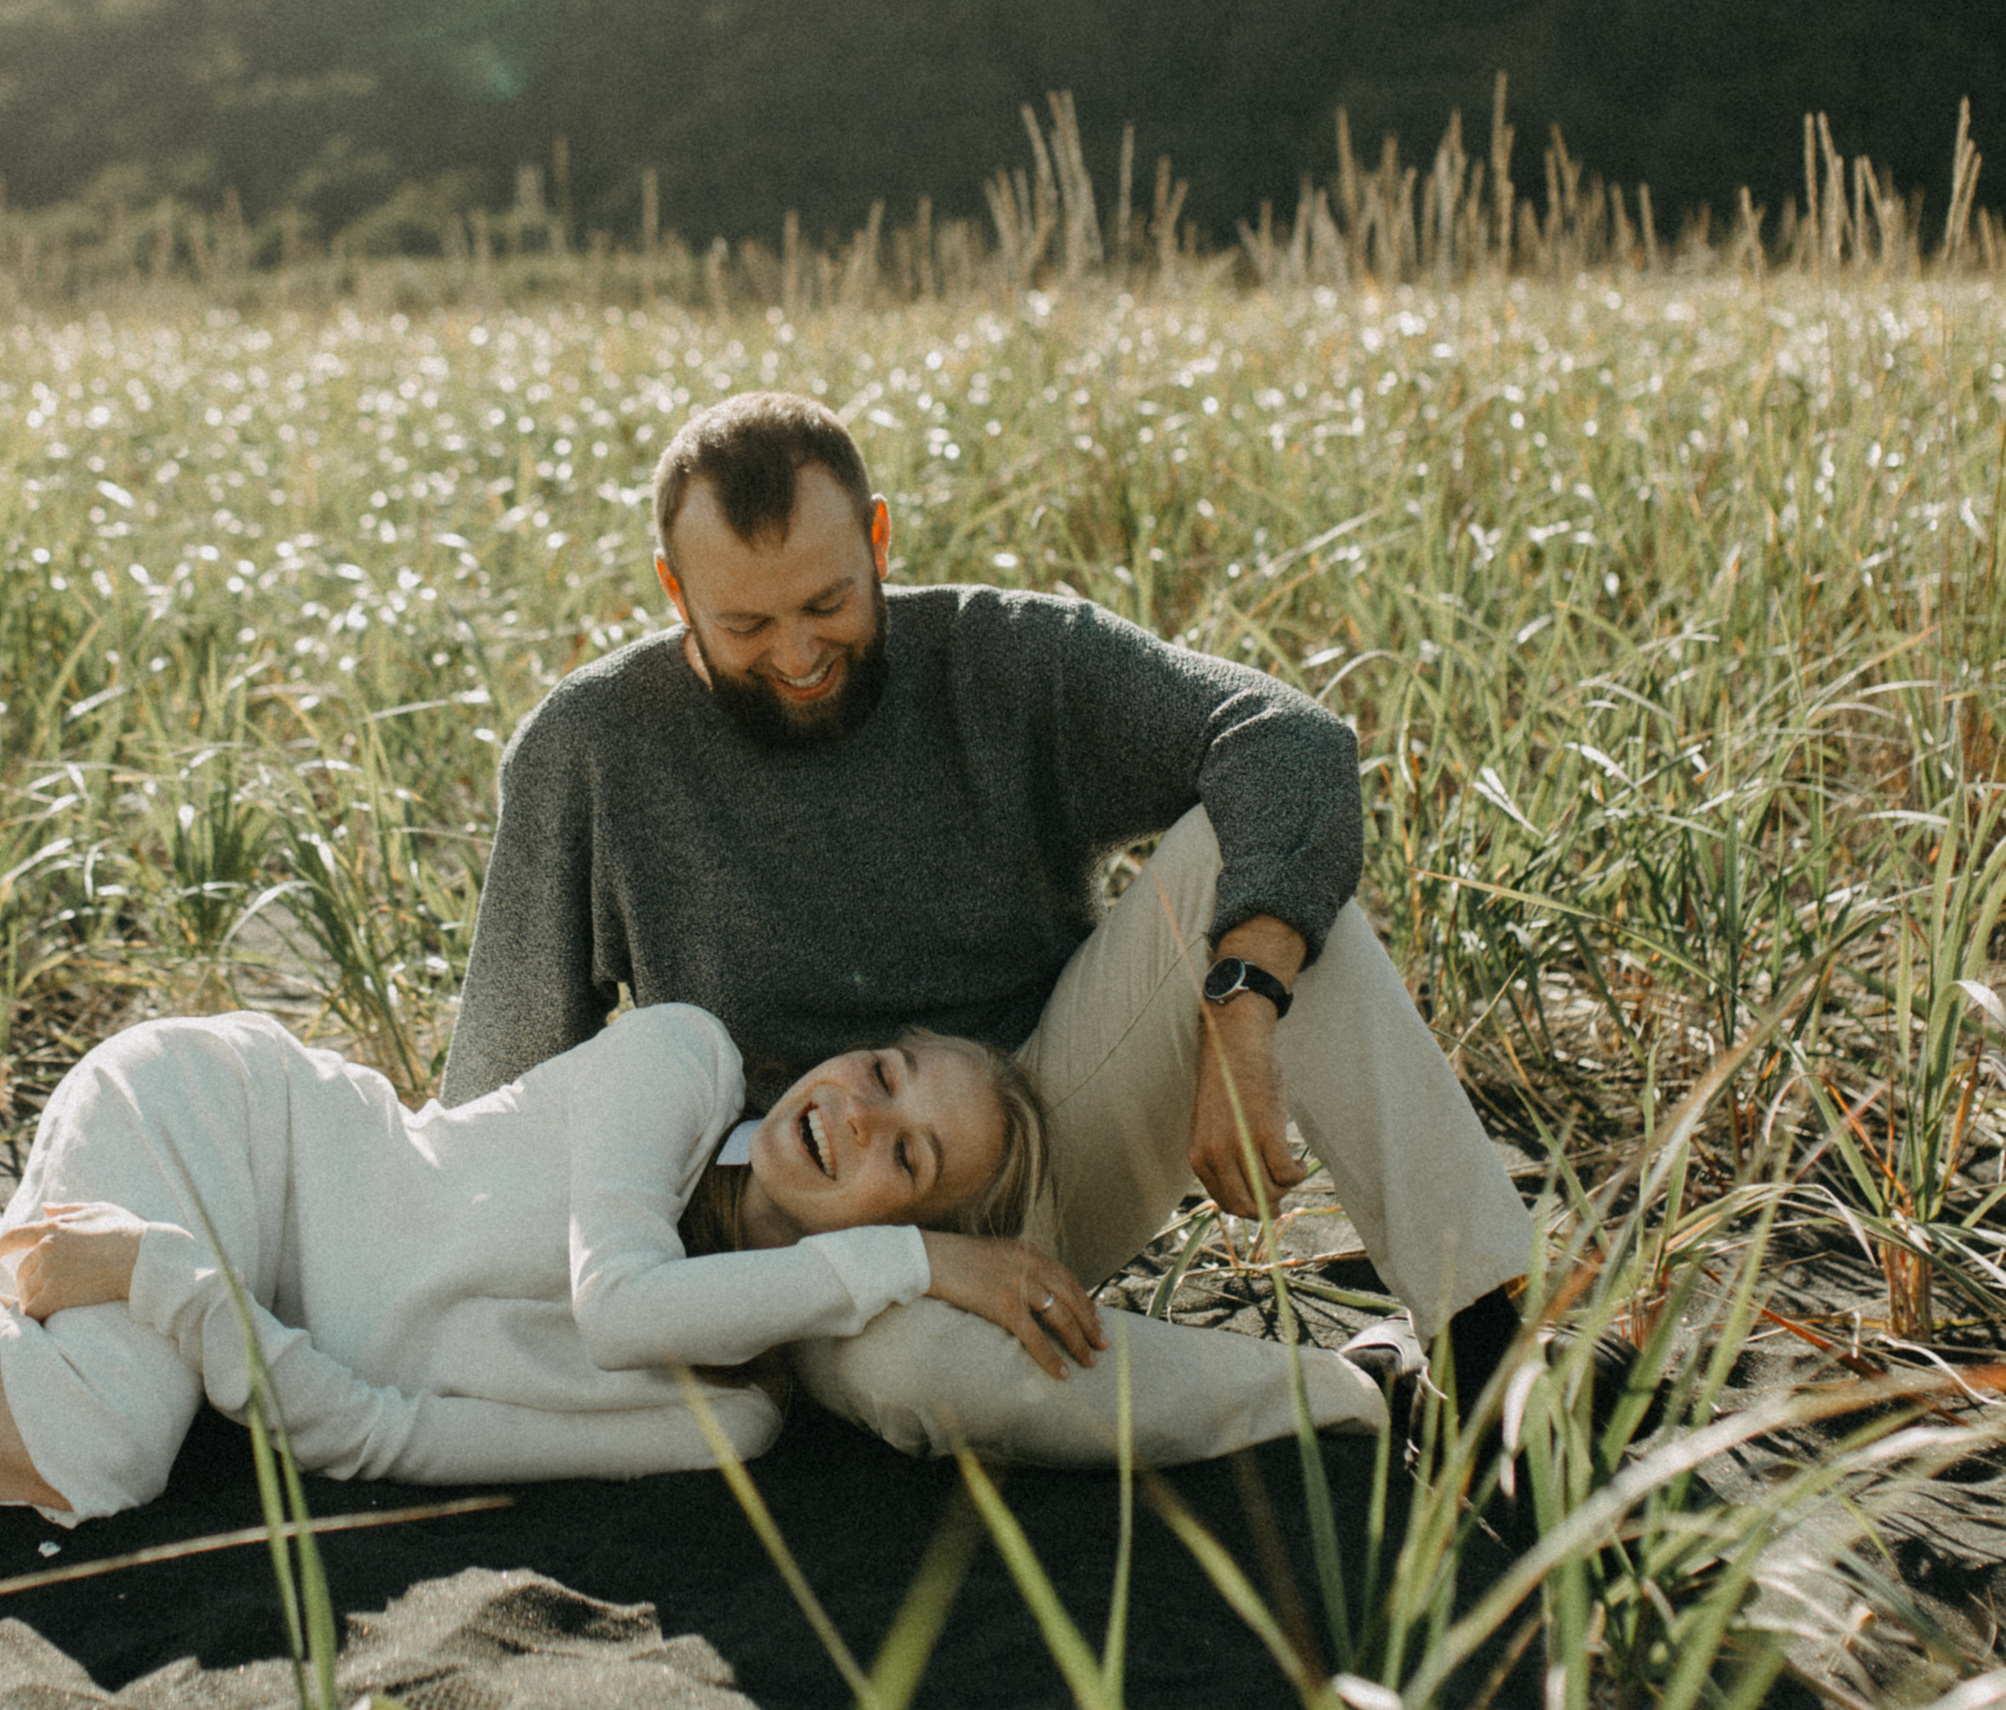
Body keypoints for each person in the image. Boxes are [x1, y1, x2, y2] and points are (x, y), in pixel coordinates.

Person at [440, 389, 1536, 1466]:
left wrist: (1241, 1009)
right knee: (912, 1371)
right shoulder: (588, 748)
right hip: (821, 1237)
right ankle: (1362, 1395)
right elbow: (503, 1089)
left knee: (1256, 863)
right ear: (675, 590)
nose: (798, 653)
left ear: (878, 540)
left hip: (1049, 1134)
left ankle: (1484, 1332)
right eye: (747, 625)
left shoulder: (1007, 659)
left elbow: (1286, 737)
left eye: (827, 603)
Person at [0, 1004, 1073, 1520]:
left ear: (905, 1221)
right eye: (883, 1071)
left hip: (192, 1305)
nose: (858, 1115)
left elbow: (378, 1437)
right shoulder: (684, 1064)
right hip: (224, 1127)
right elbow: (620, 1298)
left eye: (909, 1161)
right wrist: (916, 1269)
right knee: (99, 1452)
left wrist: (172, 1292)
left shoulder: (723, 1421)